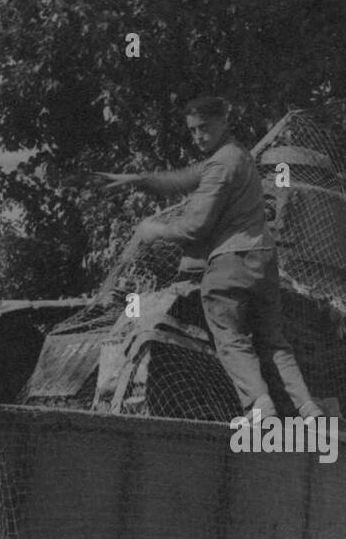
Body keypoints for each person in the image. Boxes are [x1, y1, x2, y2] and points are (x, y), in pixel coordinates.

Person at [98, 95, 324, 423]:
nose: (198, 136)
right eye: (192, 131)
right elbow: (182, 177)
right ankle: (309, 409)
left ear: (223, 122)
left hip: (230, 264)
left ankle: (260, 407)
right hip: (264, 262)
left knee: (230, 336)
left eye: (204, 128)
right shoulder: (240, 156)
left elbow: (195, 226)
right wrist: (137, 179)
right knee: (274, 342)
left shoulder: (220, 164)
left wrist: (154, 230)